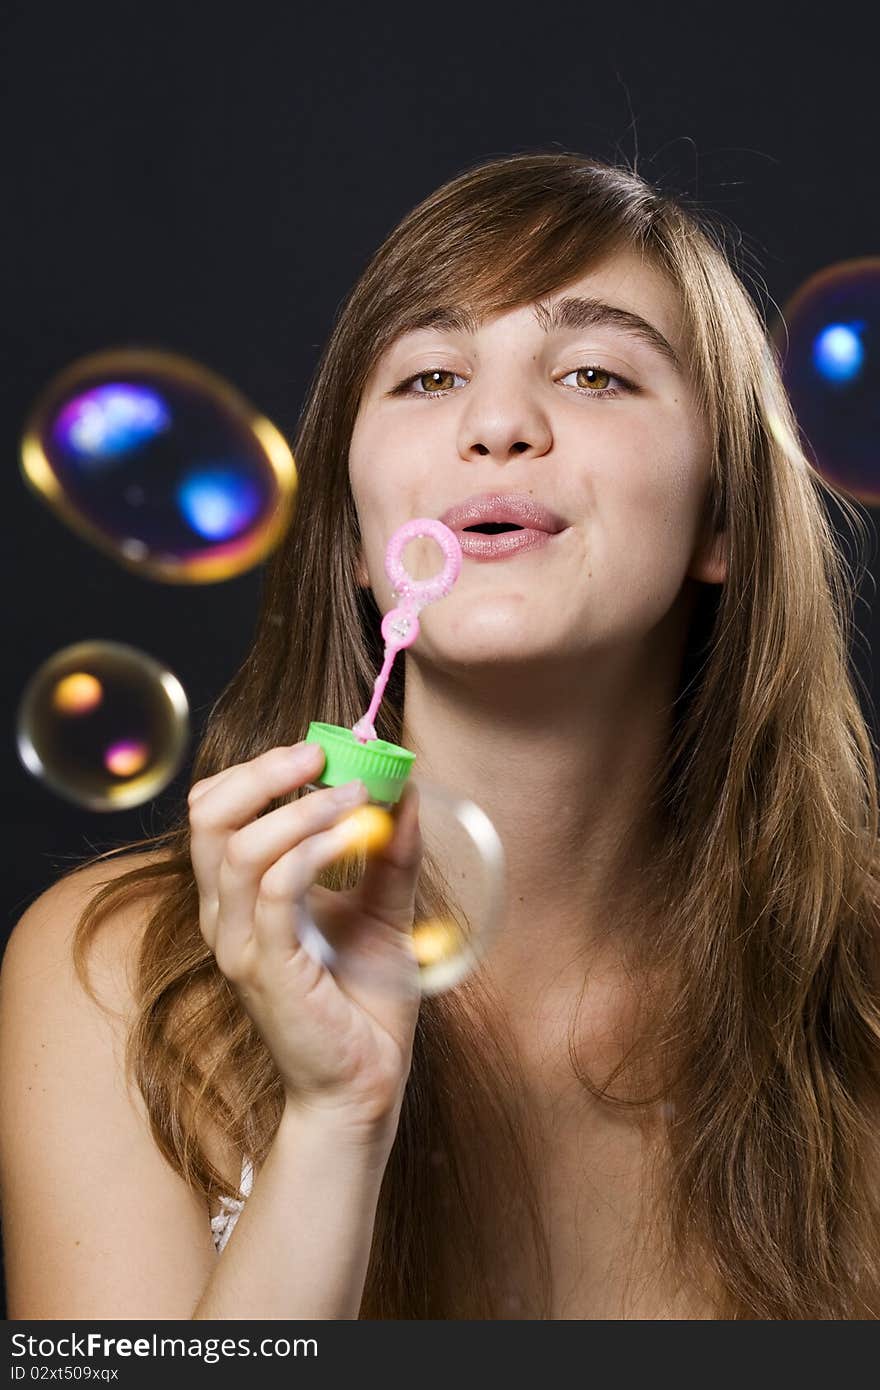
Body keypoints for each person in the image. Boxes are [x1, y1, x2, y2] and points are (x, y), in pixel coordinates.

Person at [2, 150, 879, 1321]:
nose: (498, 423)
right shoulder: (114, 979)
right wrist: (335, 1119)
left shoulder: (856, 993)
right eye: (426, 375)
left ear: (722, 515)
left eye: (593, 372)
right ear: (366, 545)